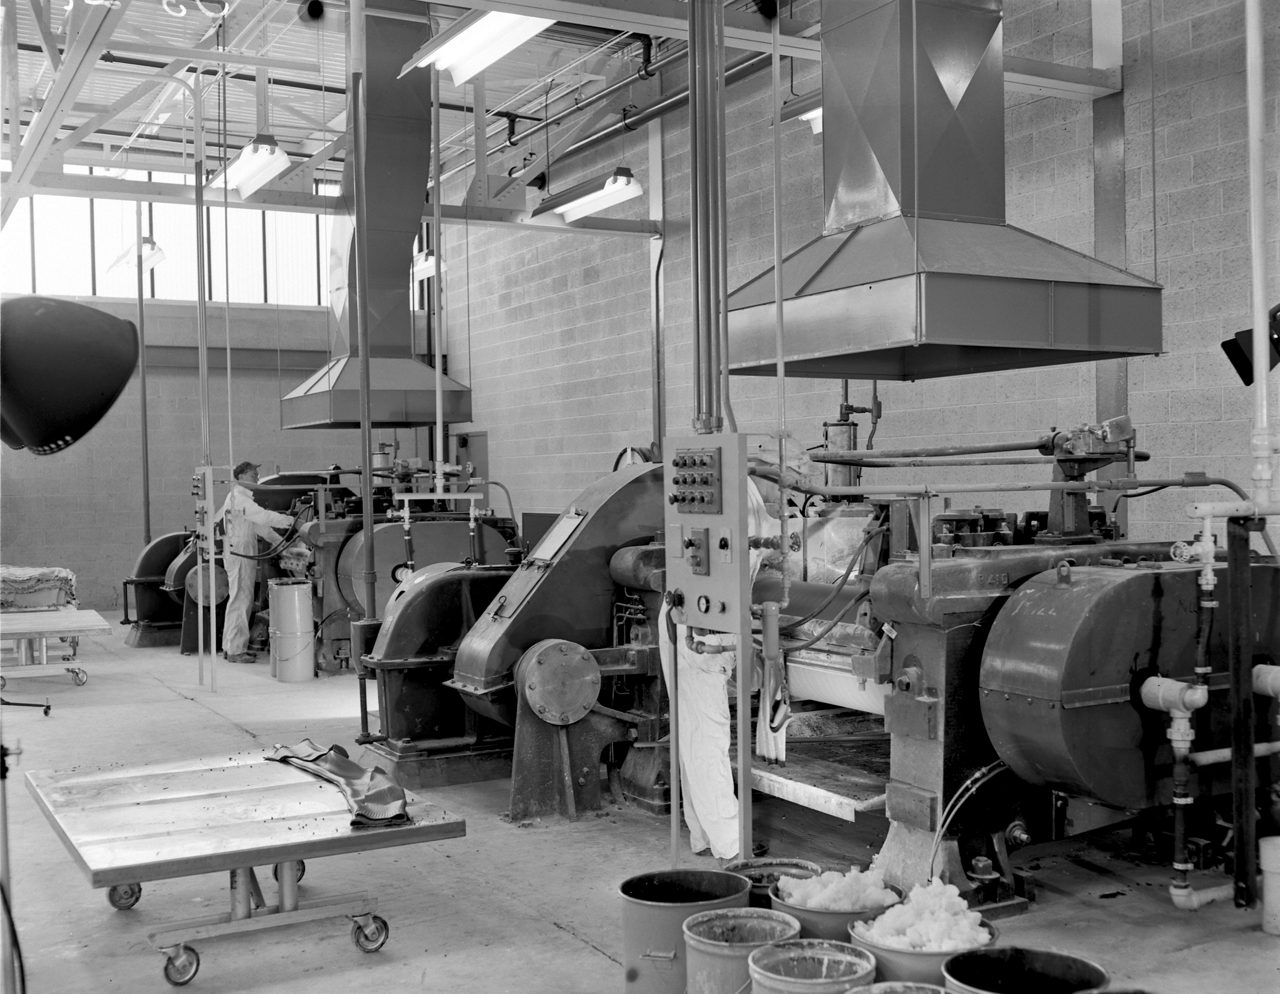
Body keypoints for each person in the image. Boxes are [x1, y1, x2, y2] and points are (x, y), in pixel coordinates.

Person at [218, 461, 295, 663]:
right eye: (253, 474)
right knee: (241, 600)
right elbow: (262, 517)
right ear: (241, 476)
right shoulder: (238, 498)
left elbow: (260, 527)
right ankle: (236, 650)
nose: (257, 477)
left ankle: (231, 647)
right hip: (241, 553)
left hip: (241, 552)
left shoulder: (243, 499)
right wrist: (291, 521)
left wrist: (283, 543)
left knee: (239, 600)